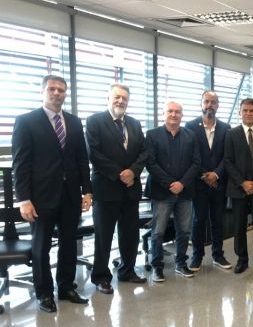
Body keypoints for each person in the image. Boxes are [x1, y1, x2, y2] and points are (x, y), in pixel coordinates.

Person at [12, 75, 92, 312]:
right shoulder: (26, 121)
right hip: (40, 197)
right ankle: (44, 293)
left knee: (69, 244)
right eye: (52, 89)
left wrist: (87, 191)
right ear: (43, 91)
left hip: (70, 195)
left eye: (61, 90)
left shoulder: (74, 122)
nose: (57, 93)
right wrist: (24, 199)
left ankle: (66, 287)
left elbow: (82, 159)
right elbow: (20, 164)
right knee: (41, 247)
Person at [86, 83, 148, 294]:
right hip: (106, 188)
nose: (121, 101)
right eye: (117, 97)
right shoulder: (94, 121)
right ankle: (101, 277)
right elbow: (93, 153)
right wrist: (120, 174)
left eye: (124, 98)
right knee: (103, 236)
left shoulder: (134, 124)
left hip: (130, 189)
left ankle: (127, 271)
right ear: (108, 98)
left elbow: (144, 152)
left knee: (130, 234)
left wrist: (133, 171)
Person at [144, 101, 201, 282]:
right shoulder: (152, 135)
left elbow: (196, 162)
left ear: (182, 115)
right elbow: (150, 163)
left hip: (185, 192)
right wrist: (171, 183)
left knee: (184, 231)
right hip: (162, 192)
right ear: (164, 113)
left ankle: (181, 264)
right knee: (158, 232)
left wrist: (182, 183)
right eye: (170, 111)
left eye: (177, 112)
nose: (174, 115)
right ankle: (157, 267)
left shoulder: (191, 136)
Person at [185, 91, 232, 271]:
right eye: (206, 101)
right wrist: (206, 175)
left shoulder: (226, 128)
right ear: (201, 104)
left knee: (217, 221)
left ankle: (218, 255)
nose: (209, 105)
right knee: (198, 221)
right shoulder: (190, 126)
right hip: (199, 183)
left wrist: (216, 174)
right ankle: (197, 256)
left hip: (219, 183)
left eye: (213, 102)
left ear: (218, 105)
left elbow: (227, 156)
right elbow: (190, 155)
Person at [224, 98, 253, 274]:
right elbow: (228, 161)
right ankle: (242, 260)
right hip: (238, 188)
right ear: (239, 112)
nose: (248, 113)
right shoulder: (231, 134)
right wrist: (243, 183)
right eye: (245, 110)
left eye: (251, 110)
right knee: (239, 226)